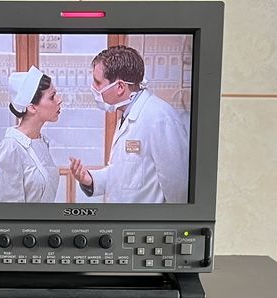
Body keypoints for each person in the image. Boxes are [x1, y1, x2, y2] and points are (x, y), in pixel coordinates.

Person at [68, 45, 189, 204]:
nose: (93, 88)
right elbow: (123, 173)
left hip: (146, 219)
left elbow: (178, 189)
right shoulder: (127, 114)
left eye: (97, 83)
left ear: (120, 87)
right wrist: (89, 179)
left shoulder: (159, 118)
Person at [0, 67, 62, 203]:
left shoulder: (42, 142)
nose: (59, 100)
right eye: (52, 96)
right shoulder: (11, 148)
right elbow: (11, 206)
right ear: (32, 107)